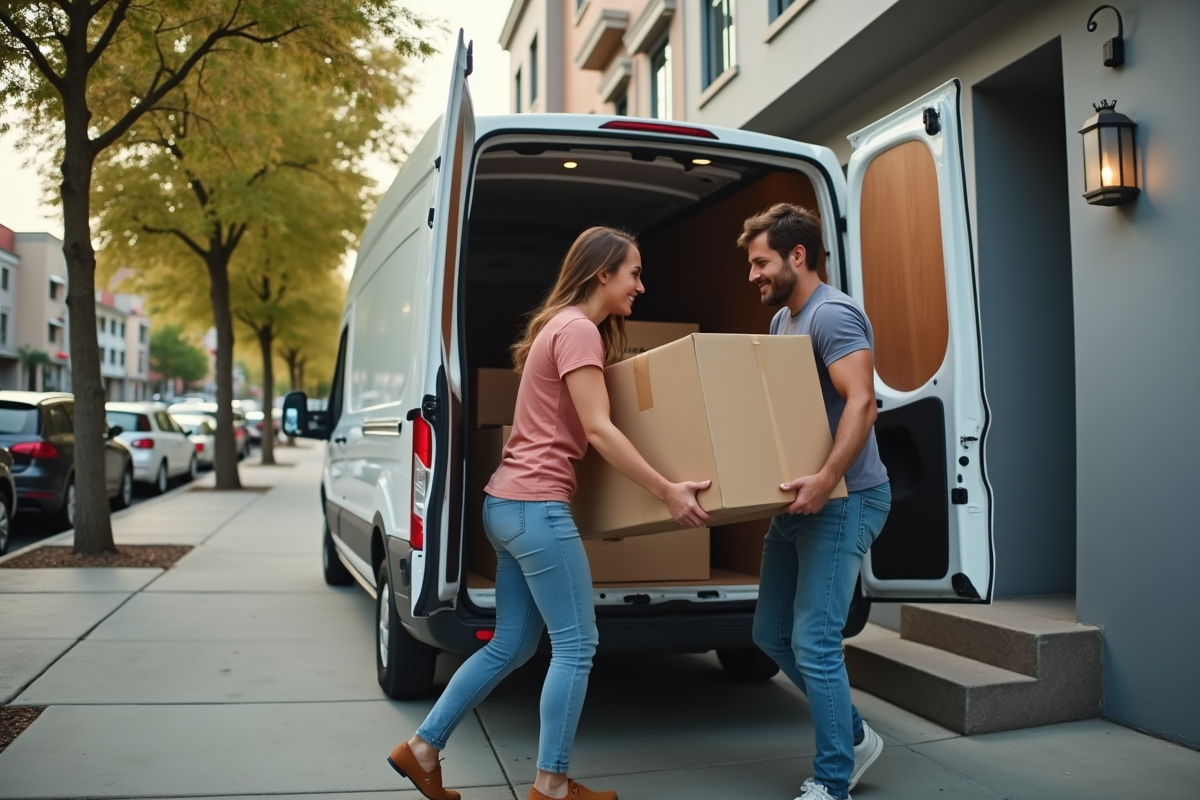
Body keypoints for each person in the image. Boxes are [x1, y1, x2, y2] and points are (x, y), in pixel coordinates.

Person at [387, 226, 711, 800]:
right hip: (536, 508)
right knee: (577, 645)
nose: (641, 284)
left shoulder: (559, 328)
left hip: (506, 506)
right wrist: (667, 489)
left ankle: (422, 749)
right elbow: (598, 429)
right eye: (633, 272)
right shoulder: (579, 330)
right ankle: (552, 784)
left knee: (511, 645)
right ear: (601, 273)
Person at [738, 203, 892, 800]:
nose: (752, 274)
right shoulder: (783, 322)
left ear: (796, 256)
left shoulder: (833, 315)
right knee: (770, 633)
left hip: (846, 498)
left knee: (814, 640)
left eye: (761, 262)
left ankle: (833, 779)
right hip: (800, 502)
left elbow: (862, 404)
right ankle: (853, 734)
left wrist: (827, 480)